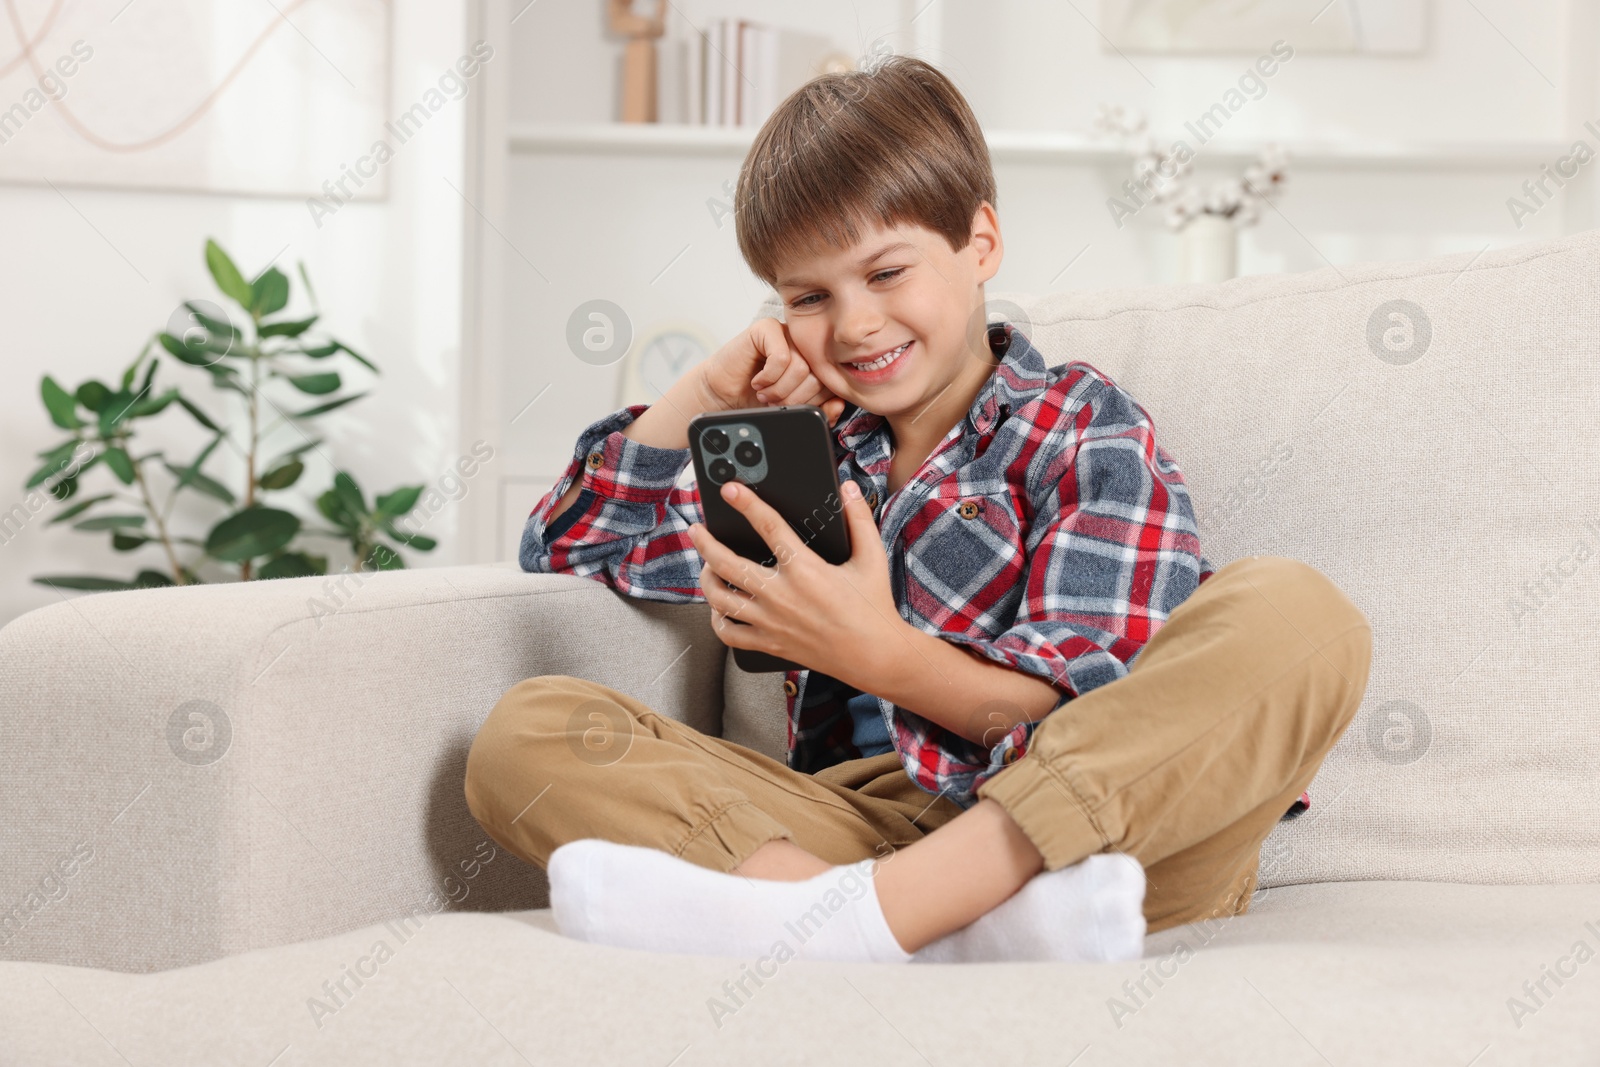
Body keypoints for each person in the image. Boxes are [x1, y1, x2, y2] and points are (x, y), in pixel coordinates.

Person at [464, 53, 1372, 965]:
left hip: (1100, 834)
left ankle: (880, 916)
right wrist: (702, 390)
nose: (854, 325)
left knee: (1301, 615)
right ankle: (906, 921)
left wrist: (878, 655)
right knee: (526, 734)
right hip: (854, 823)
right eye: (810, 297)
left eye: (887, 272)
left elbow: (1097, 711)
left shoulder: (1076, 427)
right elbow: (571, 543)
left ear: (980, 243)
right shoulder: (806, 452)